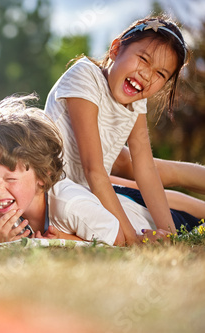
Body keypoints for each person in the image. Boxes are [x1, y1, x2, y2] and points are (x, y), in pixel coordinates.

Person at [0, 96, 201, 247]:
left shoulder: (70, 205)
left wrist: (67, 240)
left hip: (151, 220)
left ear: (42, 179)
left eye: (10, 178)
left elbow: (123, 242)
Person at [44, 15, 195, 245]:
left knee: (148, 219)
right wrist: (132, 239)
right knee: (96, 215)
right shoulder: (85, 76)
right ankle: (67, 233)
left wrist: (168, 233)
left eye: (160, 74)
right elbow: (93, 169)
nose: (147, 74)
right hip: (54, 190)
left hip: (91, 194)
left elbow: (145, 168)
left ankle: (84, 235)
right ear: (116, 49)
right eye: (143, 59)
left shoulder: (136, 102)